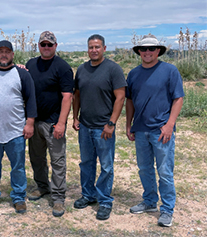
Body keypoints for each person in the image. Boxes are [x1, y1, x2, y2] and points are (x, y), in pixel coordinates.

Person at [126, 34, 184, 227]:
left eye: (151, 49)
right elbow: (130, 101)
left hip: (161, 130)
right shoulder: (133, 74)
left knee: (165, 171)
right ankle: (150, 201)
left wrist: (169, 125)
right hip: (141, 129)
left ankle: (167, 209)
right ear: (139, 52)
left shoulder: (169, 70)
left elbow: (178, 99)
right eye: (144, 49)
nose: (147, 52)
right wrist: (129, 124)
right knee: (144, 169)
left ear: (158, 51)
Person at [0, 40, 37, 214]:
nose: (4, 54)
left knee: (18, 167)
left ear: (12, 54)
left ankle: (19, 197)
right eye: (0, 51)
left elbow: (31, 99)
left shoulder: (22, 74)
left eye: (7, 51)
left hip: (15, 131)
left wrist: (30, 123)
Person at [73, 34, 127, 220]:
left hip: (104, 127)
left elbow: (120, 97)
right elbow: (77, 95)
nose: (94, 50)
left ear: (104, 48)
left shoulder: (113, 69)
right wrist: (75, 117)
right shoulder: (81, 69)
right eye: (90, 47)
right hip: (86, 126)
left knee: (106, 166)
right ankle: (88, 195)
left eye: (97, 47)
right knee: (86, 163)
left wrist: (111, 123)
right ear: (87, 49)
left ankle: (104, 201)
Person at [26, 31, 74, 217]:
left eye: (50, 44)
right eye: (43, 44)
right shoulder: (31, 64)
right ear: (38, 46)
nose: (46, 47)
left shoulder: (62, 67)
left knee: (58, 161)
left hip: (53, 123)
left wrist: (61, 123)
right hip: (35, 121)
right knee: (37, 158)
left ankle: (59, 197)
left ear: (56, 46)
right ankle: (42, 186)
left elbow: (67, 97)